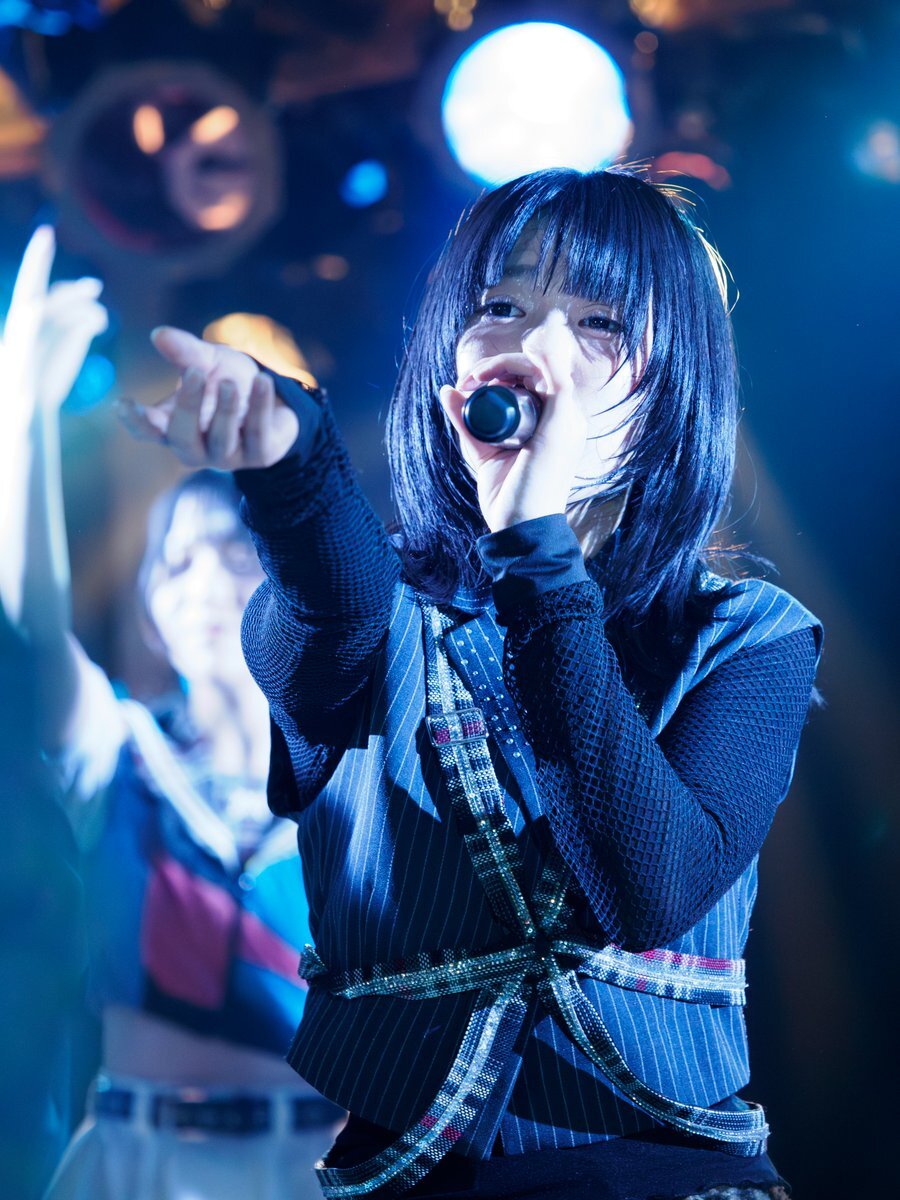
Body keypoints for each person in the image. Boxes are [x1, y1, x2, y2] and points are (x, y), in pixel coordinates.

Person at [122, 167, 822, 1200]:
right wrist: (289, 457)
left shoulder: (749, 637)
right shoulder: (378, 614)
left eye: (599, 320)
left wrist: (538, 550)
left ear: (672, 388)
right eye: (501, 306)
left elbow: (647, 890)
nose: (534, 345)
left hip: (660, 1176)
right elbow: (329, 590)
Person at [1, 228, 341, 1200]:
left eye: (230, 554)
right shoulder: (125, 755)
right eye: (175, 562)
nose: (200, 585)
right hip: (142, 1166)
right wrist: (19, 408)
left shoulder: (354, 778)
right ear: (149, 602)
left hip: (322, 1167)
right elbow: (31, 620)